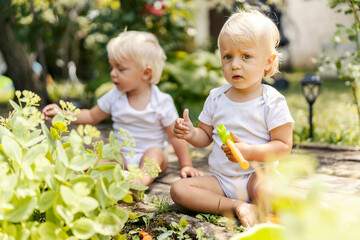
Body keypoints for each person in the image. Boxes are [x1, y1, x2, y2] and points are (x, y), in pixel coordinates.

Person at [171, 9, 294, 227]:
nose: (235, 64)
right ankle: (238, 206)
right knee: (179, 190)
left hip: (256, 176)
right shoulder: (216, 98)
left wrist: (249, 152)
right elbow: (205, 137)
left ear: (268, 61)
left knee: (271, 191)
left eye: (246, 56)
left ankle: (256, 202)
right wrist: (191, 134)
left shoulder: (272, 101)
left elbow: (284, 146)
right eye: (228, 56)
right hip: (221, 181)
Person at [42, 31, 203, 186]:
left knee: (155, 153)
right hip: (122, 156)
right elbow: (91, 116)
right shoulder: (115, 96)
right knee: (108, 152)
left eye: (120, 69)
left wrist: (186, 164)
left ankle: (139, 182)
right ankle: (91, 175)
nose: (112, 74)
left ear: (146, 74)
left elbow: (175, 137)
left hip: (152, 161)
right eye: (112, 67)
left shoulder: (161, 102)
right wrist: (63, 114)